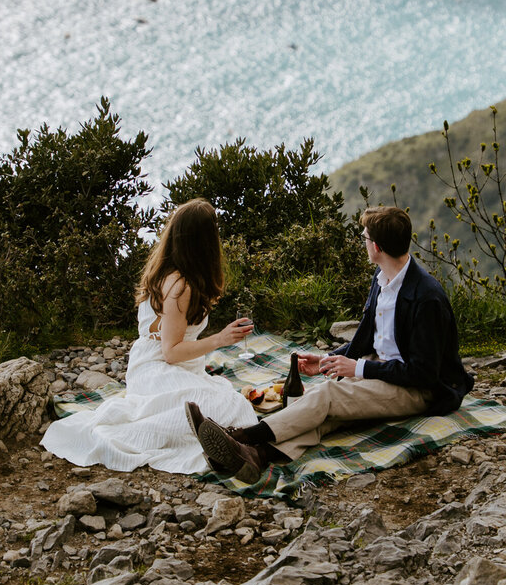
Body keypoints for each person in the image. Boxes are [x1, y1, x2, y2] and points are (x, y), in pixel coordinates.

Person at [187, 204, 472, 479]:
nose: (364, 243)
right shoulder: (383, 277)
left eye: (365, 238)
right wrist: (329, 360)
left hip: (420, 389)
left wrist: (357, 369)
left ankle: (240, 436)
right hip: (386, 369)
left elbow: (423, 373)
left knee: (329, 397)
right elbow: (368, 336)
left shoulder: (427, 298)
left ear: (377, 247)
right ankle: (256, 456)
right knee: (326, 413)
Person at [41, 198, 257, 474]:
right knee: (233, 408)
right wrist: (220, 339)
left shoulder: (169, 271)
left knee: (230, 404)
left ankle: (217, 439)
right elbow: (171, 352)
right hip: (158, 368)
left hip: (162, 364)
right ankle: (209, 444)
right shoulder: (181, 285)